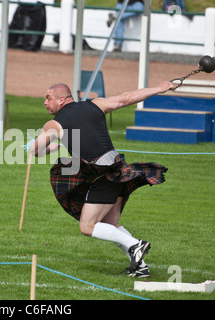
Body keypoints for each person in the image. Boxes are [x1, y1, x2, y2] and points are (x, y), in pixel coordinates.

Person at [30, 81, 174, 277]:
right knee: (109, 223)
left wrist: (49, 148)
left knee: (87, 226)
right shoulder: (96, 104)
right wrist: (159, 88)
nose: (45, 102)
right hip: (118, 171)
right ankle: (140, 267)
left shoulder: (55, 123)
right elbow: (127, 98)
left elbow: (34, 150)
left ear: (61, 99)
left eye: (48, 98)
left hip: (104, 176)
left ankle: (135, 244)